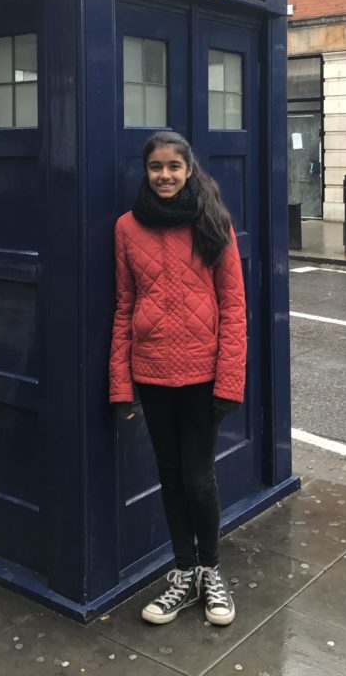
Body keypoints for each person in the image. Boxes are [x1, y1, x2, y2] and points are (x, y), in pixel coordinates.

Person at [109, 131, 247, 626]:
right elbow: (125, 305)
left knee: (198, 479)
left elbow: (233, 306)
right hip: (151, 372)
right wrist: (120, 383)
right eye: (155, 167)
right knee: (170, 478)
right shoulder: (126, 228)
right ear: (144, 172)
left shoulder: (213, 222)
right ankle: (183, 572)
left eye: (173, 166)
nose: (164, 175)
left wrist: (230, 381)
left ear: (189, 170)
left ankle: (211, 571)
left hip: (203, 374)